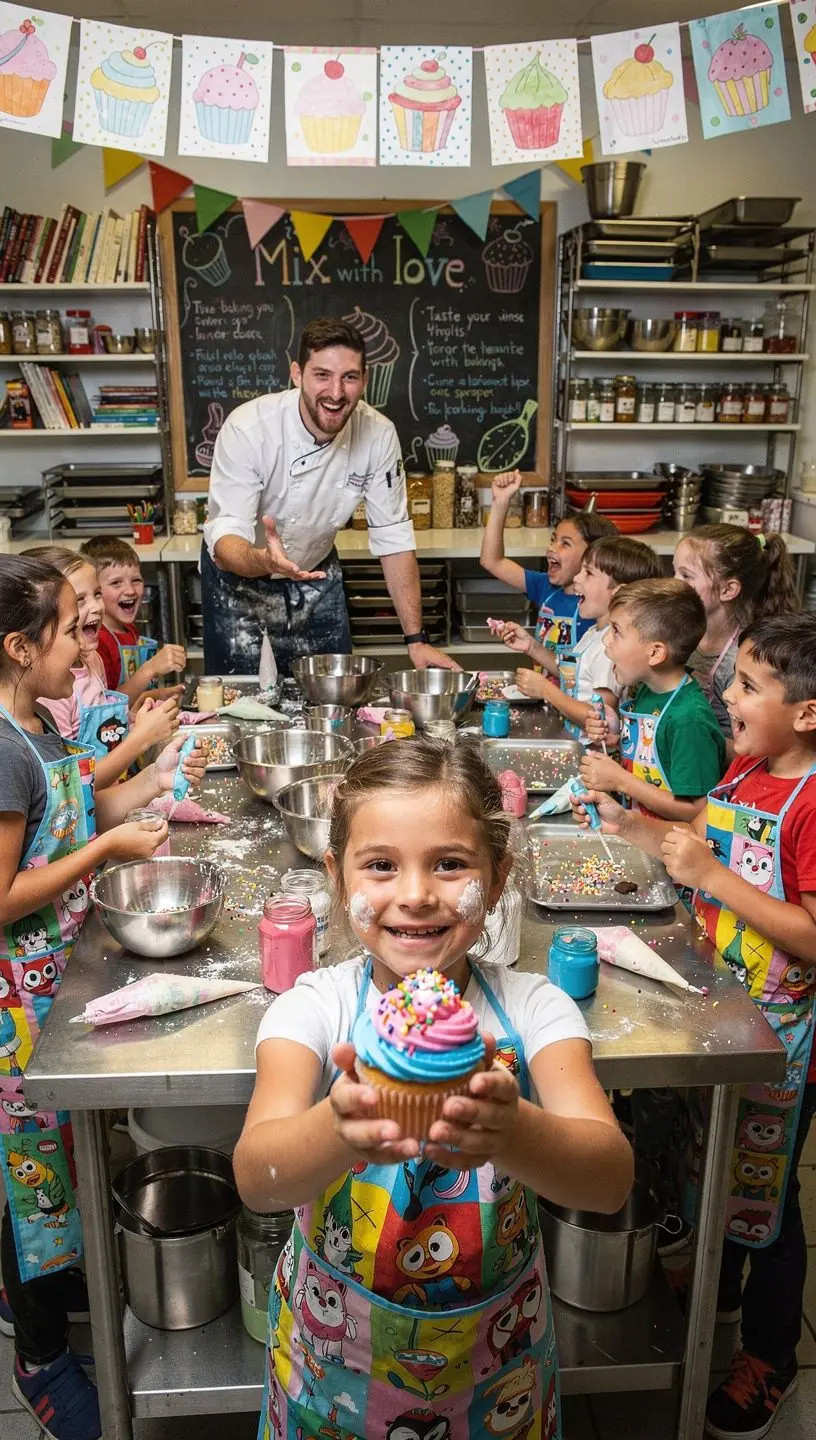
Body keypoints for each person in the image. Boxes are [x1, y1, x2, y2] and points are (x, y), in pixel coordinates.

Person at [233, 737, 633, 1440]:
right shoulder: (315, 1010)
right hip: (334, 1373)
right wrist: (338, 1126)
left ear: (498, 874)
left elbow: (607, 1183)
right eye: (381, 865)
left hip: (494, 1373)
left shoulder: (534, 1010)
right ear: (336, 875)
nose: (415, 894)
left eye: (450, 864)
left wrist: (515, 1132)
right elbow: (257, 1178)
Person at [572, 613, 816, 1440]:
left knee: (766, 1202)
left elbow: (811, 932)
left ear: (808, 713)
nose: (728, 694)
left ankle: (769, 1356)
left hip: (783, 1031)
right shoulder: (749, 771)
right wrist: (638, 830)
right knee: (706, 1163)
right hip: (719, 1000)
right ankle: (719, 1282)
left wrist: (710, 873)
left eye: (748, 685)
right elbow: (700, 830)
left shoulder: (814, 803)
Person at [0, 554, 205, 1440]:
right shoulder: (3, 756)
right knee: (29, 1186)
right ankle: (41, 1353)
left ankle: (64, 1285)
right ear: (17, 644)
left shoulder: (39, 726)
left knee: (58, 1178)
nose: (87, 644)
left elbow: (82, 801)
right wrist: (105, 856)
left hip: (56, 994)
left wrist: (145, 797)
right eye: (71, 630)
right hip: (14, 1016)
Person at [202, 316, 456, 677]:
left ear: (365, 380)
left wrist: (416, 639)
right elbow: (226, 537)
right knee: (243, 698)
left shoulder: (379, 434)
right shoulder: (249, 429)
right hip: (240, 578)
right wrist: (264, 562)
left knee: (333, 699)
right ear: (296, 374)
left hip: (316, 576)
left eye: (349, 377)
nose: (336, 393)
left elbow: (394, 540)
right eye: (322, 375)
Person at [23, 546, 180, 787]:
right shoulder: (52, 693)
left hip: (115, 793)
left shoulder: (92, 660)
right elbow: (73, 784)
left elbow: (103, 725)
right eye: (79, 601)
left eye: (97, 594)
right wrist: (141, 738)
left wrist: (133, 719)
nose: (96, 607)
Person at [581, 578, 726, 824]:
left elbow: (698, 811)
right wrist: (616, 736)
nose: (606, 640)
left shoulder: (690, 719)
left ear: (656, 653)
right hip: (637, 829)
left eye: (616, 631)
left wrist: (621, 781)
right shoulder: (648, 690)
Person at [492, 536, 663, 739]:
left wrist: (547, 690)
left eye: (588, 573)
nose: (577, 579)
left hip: (592, 751)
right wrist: (531, 646)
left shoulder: (608, 647)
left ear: (619, 593)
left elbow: (600, 718)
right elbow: (574, 675)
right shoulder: (595, 632)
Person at [673, 525, 800, 745]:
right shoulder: (676, 630)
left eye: (686, 575)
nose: (674, 583)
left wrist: (694, 745)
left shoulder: (742, 659)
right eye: (674, 571)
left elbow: (753, 748)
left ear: (728, 590)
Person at [480, 469, 617, 665]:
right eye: (553, 539)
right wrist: (500, 502)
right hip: (543, 692)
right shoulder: (546, 586)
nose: (552, 547)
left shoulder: (598, 605)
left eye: (565, 543)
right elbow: (492, 561)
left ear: (594, 555)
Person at [79, 537, 186, 701]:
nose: (130, 590)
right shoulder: (96, 644)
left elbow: (131, 695)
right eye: (116, 583)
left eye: (136, 580)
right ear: (96, 590)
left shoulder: (129, 629)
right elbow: (108, 706)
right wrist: (149, 669)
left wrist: (156, 695)